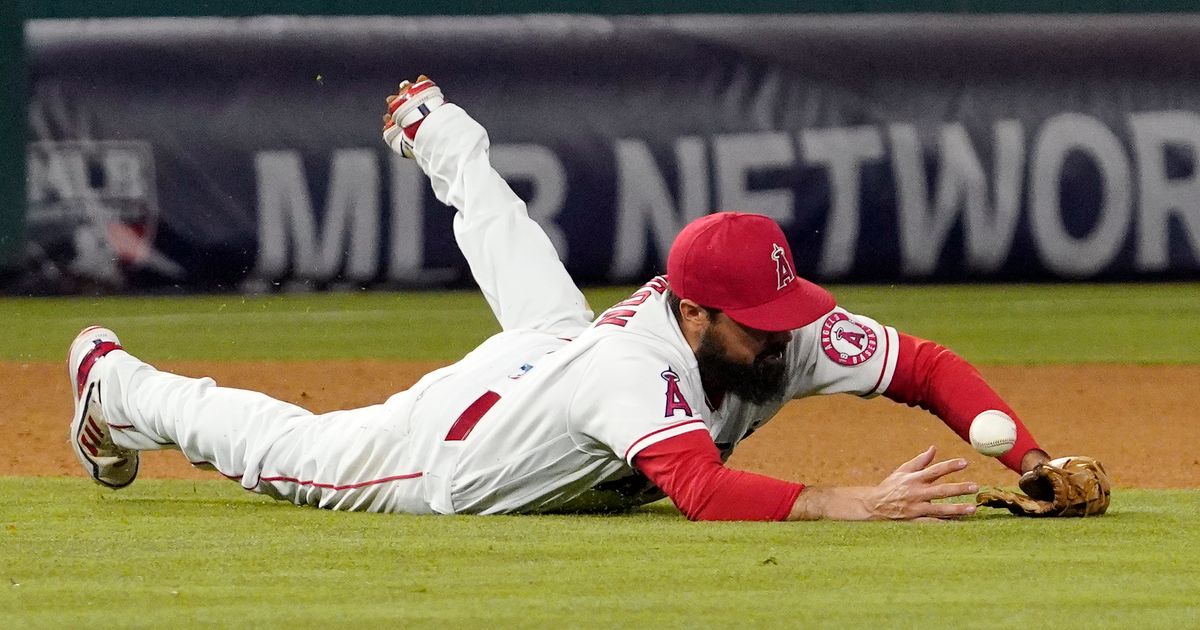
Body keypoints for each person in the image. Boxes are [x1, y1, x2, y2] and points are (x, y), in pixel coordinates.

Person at [68, 76, 1053, 522]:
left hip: (556, 360)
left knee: (542, 297)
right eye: (760, 323)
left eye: (785, 314)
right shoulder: (642, 369)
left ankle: (437, 133)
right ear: (696, 313)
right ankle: (113, 386)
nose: (787, 339)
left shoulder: (770, 323)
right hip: (448, 453)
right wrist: (848, 504)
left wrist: (1037, 458)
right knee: (277, 451)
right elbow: (702, 494)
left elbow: (921, 364)